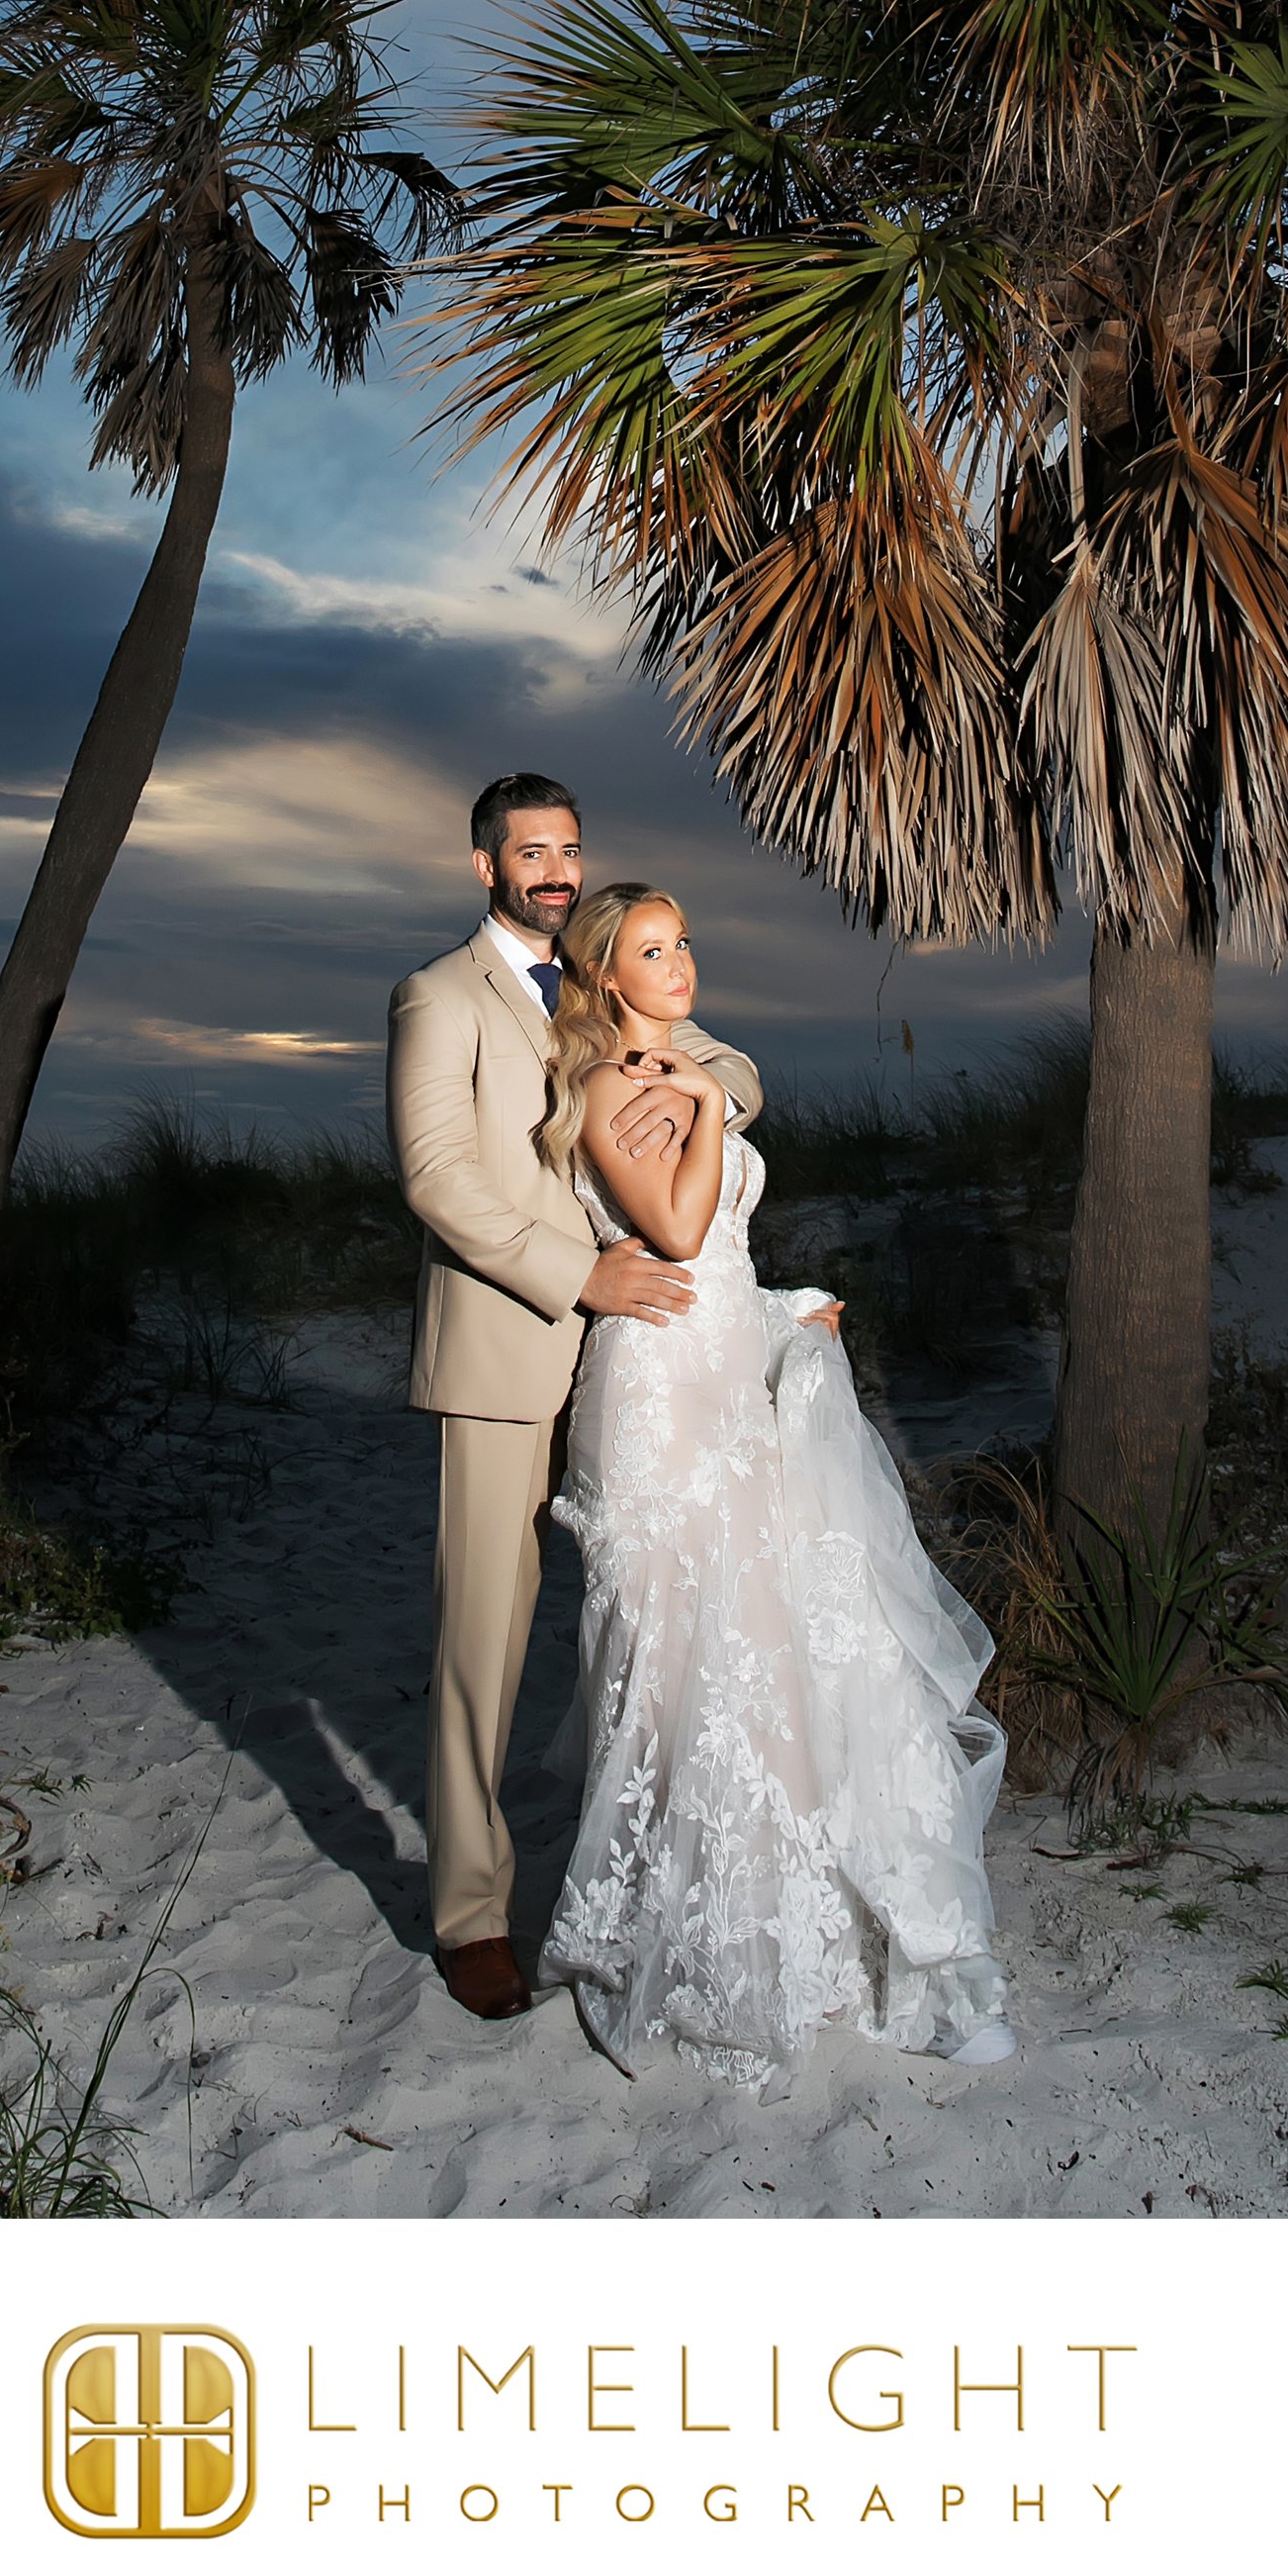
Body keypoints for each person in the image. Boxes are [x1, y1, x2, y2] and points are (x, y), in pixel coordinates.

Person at [533, 883, 1014, 2083]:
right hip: (652, 1399)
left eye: (686, 938)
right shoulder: (605, 1093)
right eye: (652, 948)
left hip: (730, 1374)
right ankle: (675, 1938)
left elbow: (723, 1260)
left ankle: (819, 1936)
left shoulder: (689, 1074)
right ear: (604, 978)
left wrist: (786, 1307)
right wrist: (696, 1098)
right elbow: (681, 1234)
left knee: (783, 1648)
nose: (681, 959)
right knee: (682, 1662)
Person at [386, 775, 763, 2021]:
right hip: (507, 1349)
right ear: (484, 865)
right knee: (481, 1643)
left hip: (631, 1370)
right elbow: (439, 1177)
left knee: (652, 1626)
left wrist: (683, 1076)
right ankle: (471, 1915)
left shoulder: (604, 986)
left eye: (569, 848)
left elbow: (737, 1072)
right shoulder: (441, 996)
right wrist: (576, 1272)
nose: (552, 866)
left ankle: (651, 1872)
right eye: (528, 849)